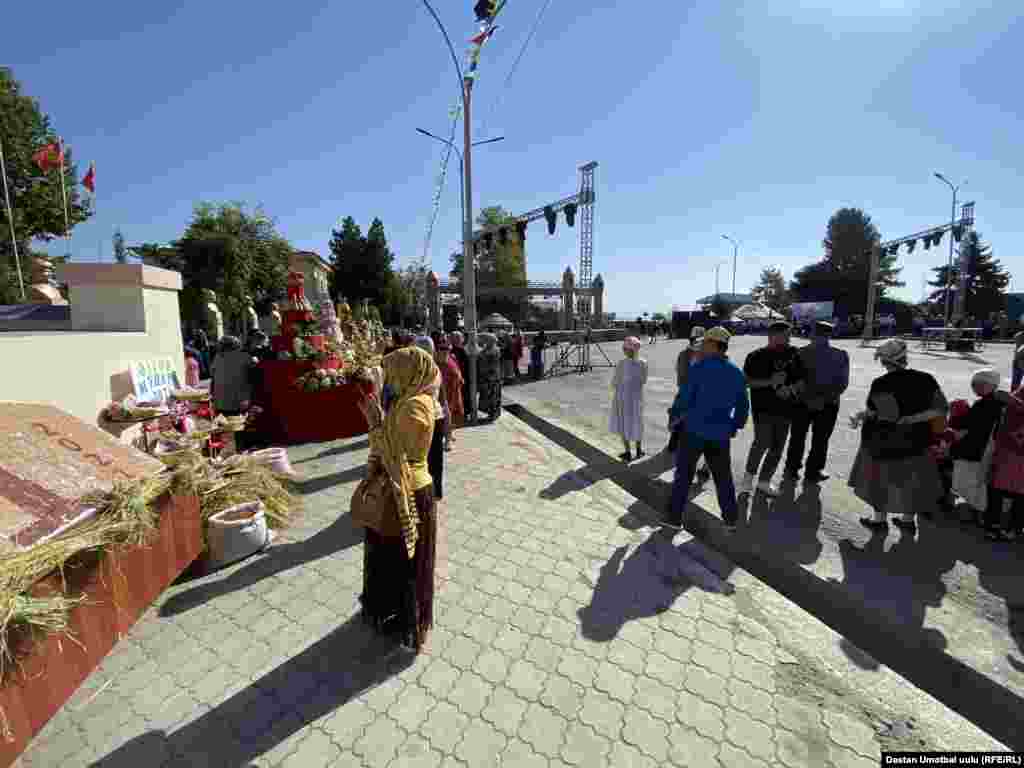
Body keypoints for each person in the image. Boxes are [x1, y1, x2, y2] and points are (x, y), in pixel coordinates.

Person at [356, 347, 439, 651]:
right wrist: (379, 421)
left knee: (405, 560)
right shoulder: (408, 400)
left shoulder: (414, 407)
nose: (389, 381)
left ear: (410, 373)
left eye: (393, 374)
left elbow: (395, 457)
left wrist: (375, 424)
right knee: (391, 555)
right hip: (399, 487)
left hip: (408, 492)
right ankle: (391, 610)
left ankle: (406, 620)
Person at [848, 339, 948, 534]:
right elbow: (941, 409)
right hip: (918, 442)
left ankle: (879, 521)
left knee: (881, 482)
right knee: (913, 483)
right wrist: (915, 418)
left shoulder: (882, 384)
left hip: (884, 442)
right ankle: (908, 521)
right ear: (904, 357)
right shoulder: (926, 379)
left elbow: (883, 415)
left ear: (884, 361)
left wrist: (859, 415)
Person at [665, 327, 749, 532]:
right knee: (723, 477)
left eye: (704, 342)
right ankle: (730, 520)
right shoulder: (736, 373)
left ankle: (674, 519)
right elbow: (743, 406)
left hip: (693, 431)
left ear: (713, 345)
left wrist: (674, 417)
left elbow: (684, 399)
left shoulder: (698, 368)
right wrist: (735, 425)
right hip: (720, 434)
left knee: (683, 476)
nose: (701, 346)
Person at [741, 321, 806, 497]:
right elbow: (746, 382)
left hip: (786, 409)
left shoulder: (795, 354)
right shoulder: (755, 356)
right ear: (773, 336)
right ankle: (747, 480)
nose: (789, 338)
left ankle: (764, 481)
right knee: (761, 443)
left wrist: (791, 390)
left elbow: (802, 381)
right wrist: (771, 382)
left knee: (777, 447)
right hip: (763, 409)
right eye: (786, 335)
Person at [785, 321, 849, 484]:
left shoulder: (799, 353)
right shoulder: (840, 355)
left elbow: (792, 380)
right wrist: (823, 400)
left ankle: (792, 469)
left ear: (812, 335)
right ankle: (813, 472)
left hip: (802, 403)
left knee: (797, 437)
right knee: (820, 439)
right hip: (828, 404)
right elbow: (842, 384)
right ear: (829, 335)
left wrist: (808, 399)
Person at [950, 369, 1006, 524]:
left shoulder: (985, 405)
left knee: (971, 482)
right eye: (973, 384)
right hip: (988, 450)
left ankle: (978, 512)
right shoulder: (997, 402)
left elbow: (971, 429)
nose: (975, 387)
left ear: (992, 385)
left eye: (980, 384)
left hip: (977, 451)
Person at [986, 384, 1024, 541]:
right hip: (1006, 450)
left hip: (1015, 452)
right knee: (997, 489)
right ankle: (995, 526)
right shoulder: (1021, 391)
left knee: (1017, 494)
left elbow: (1011, 401)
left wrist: (1014, 402)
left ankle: (1012, 528)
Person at [415, 337, 446, 500]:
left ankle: (426, 493)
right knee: (435, 456)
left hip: (422, 416)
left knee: (423, 457)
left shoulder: (419, 370)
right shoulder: (435, 368)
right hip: (435, 415)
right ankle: (435, 491)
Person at [668, 327, 706, 453]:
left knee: (682, 418)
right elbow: (682, 375)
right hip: (689, 392)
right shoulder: (688, 355)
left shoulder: (695, 354)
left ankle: (676, 443)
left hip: (690, 392)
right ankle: (676, 443)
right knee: (682, 418)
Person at [609, 336, 648, 461]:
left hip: (622, 397)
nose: (624, 350)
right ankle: (639, 450)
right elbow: (644, 380)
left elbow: (615, 382)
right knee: (637, 422)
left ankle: (627, 452)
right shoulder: (643, 363)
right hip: (637, 397)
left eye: (625, 348)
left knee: (623, 422)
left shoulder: (622, 363)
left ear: (628, 350)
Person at [210, 336, 252, 416]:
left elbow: (213, 377)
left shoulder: (217, 357)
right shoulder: (244, 357)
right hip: (238, 402)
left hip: (220, 402)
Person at [436, 337, 464, 447]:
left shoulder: (452, 358)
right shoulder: (435, 362)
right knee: (445, 415)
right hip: (443, 393)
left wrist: (460, 378)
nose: (445, 351)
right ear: (437, 350)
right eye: (442, 349)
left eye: (447, 349)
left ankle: (450, 434)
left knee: (452, 414)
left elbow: (457, 371)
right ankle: (447, 440)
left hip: (454, 391)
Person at [477, 332, 503, 420]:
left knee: (493, 397)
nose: (484, 341)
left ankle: (493, 414)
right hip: (488, 377)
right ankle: (491, 413)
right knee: (489, 396)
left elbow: (489, 363)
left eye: (486, 340)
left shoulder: (494, 350)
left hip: (492, 378)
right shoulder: (487, 349)